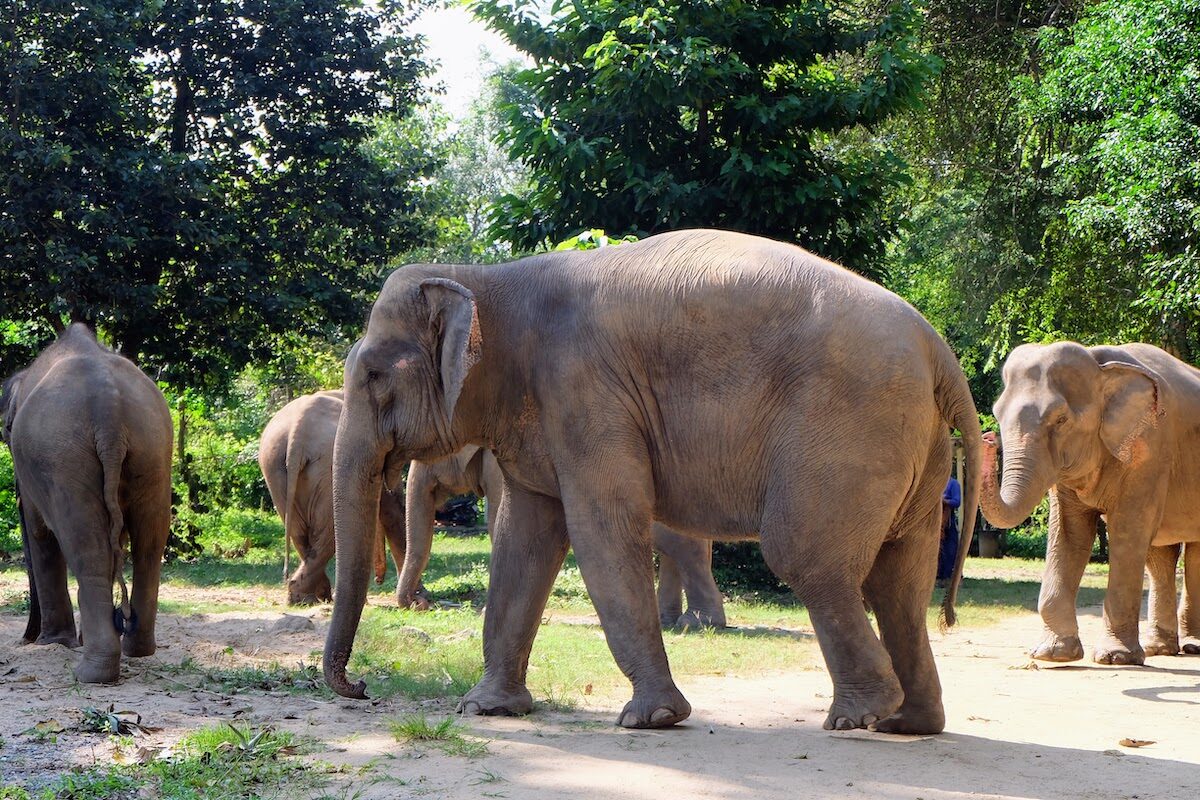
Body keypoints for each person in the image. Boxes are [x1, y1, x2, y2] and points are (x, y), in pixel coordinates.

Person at [937, 476, 962, 586]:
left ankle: (949, 577)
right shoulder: (935, 482)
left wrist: (944, 500)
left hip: (948, 522)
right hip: (935, 522)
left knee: (950, 550)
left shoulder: (953, 484)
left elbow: (957, 502)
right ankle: (938, 577)